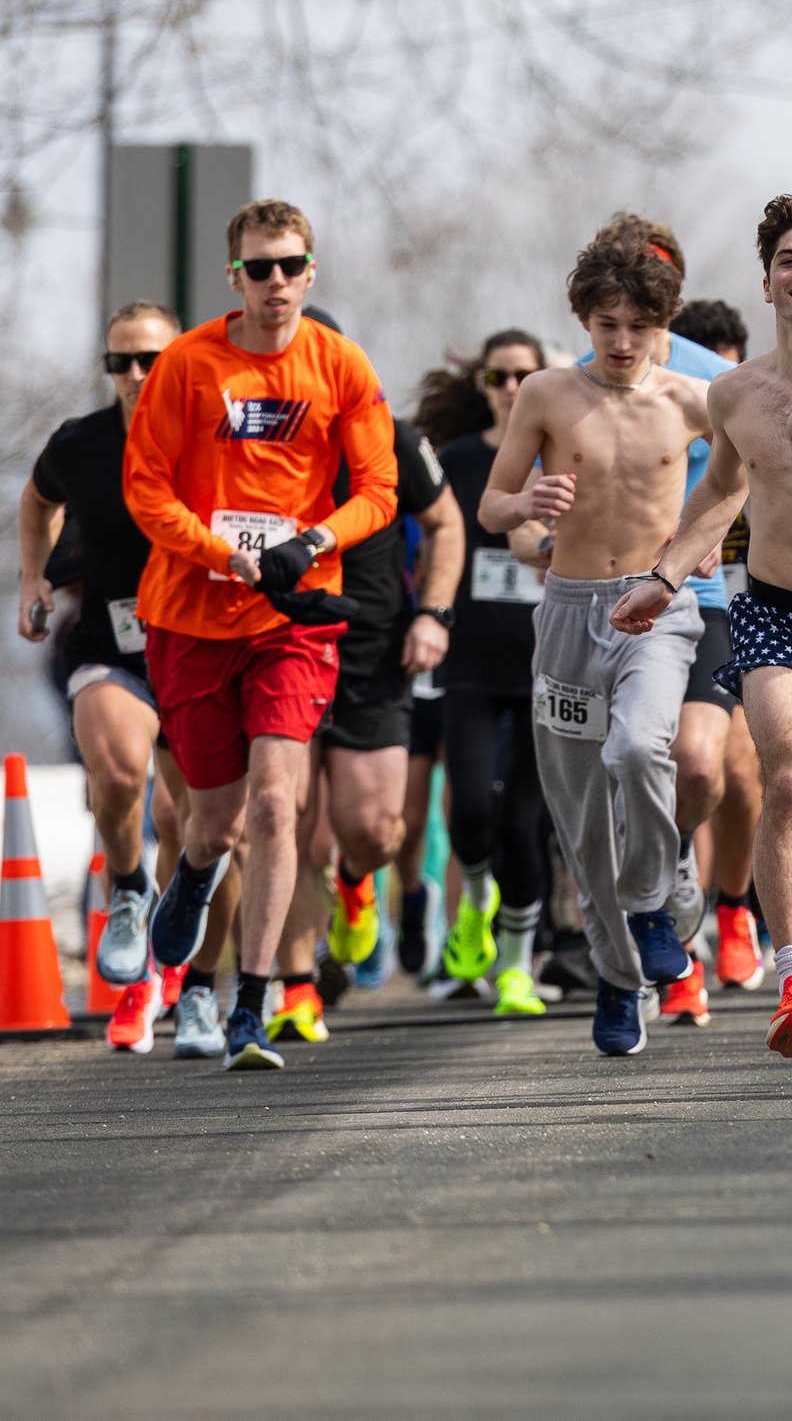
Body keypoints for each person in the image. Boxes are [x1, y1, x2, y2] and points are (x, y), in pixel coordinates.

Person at [618, 194, 792, 1058]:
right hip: (778, 612)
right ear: (768, 279)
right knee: (788, 783)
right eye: (789, 259)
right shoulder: (735, 391)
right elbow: (721, 491)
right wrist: (667, 574)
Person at [129, 198, 399, 1071]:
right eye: (259, 267)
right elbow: (146, 489)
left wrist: (313, 542)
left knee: (279, 803)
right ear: (233, 276)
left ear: (311, 272)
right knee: (212, 822)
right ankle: (196, 875)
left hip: (293, 616)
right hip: (191, 613)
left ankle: (254, 1002)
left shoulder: (341, 365)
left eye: (290, 266)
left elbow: (380, 490)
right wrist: (223, 553)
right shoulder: (186, 364)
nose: (275, 282)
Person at [480, 229, 713, 1057]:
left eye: (638, 327)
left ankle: (653, 901)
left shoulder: (690, 400)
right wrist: (527, 505)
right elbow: (493, 505)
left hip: (656, 609)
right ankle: (618, 981)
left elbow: (743, 482)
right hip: (569, 611)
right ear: (584, 319)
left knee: (640, 750)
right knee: (579, 815)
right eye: (606, 323)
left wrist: (695, 549)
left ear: (663, 325)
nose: (621, 342)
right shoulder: (544, 392)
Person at [18, 301, 209, 1053]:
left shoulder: (211, 438)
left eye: (150, 360)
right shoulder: (82, 444)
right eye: (119, 362)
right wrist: (35, 577)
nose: (134, 375)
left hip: (199, 642)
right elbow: (38, 500)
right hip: (113, 639)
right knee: (121, 772)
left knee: (198, 828)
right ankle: (130, 890)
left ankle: (190, 988)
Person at [266, 318, 460, 1042]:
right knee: (285, 818)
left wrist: (433, 613)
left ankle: (357, 883)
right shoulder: (249, 438)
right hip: (275, 641)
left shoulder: (391, 435)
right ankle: (297, 988)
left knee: (374, 830)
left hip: (372, 649)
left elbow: (445, 525)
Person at [581, 215, 737, 1027]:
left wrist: (712, 540)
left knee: (702, 768)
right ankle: (635, 940)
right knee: (611, 771)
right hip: (595, 604)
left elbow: (761, 479)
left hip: (695, 603)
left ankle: (671, 859)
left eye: (652, 284)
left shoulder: (713, 381)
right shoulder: (573, 382)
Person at [414, 330, 557, 1017]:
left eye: (523, 376)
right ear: (482, 385)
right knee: (469, 813)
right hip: (469, 663)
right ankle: (475, 901)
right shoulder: (458, 460)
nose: (509, 388)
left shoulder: (562, 457)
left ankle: (517, 969)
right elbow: (429, 542)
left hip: (546, 666)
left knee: (524, 824)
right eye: (497, 377)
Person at [672, 297, 766, 991]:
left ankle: (734, 906)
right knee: (688, 769)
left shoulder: (762, 401)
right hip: (681, 598)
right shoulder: (670, 405)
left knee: (738, 774)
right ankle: (681, 911)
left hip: (754, 605)